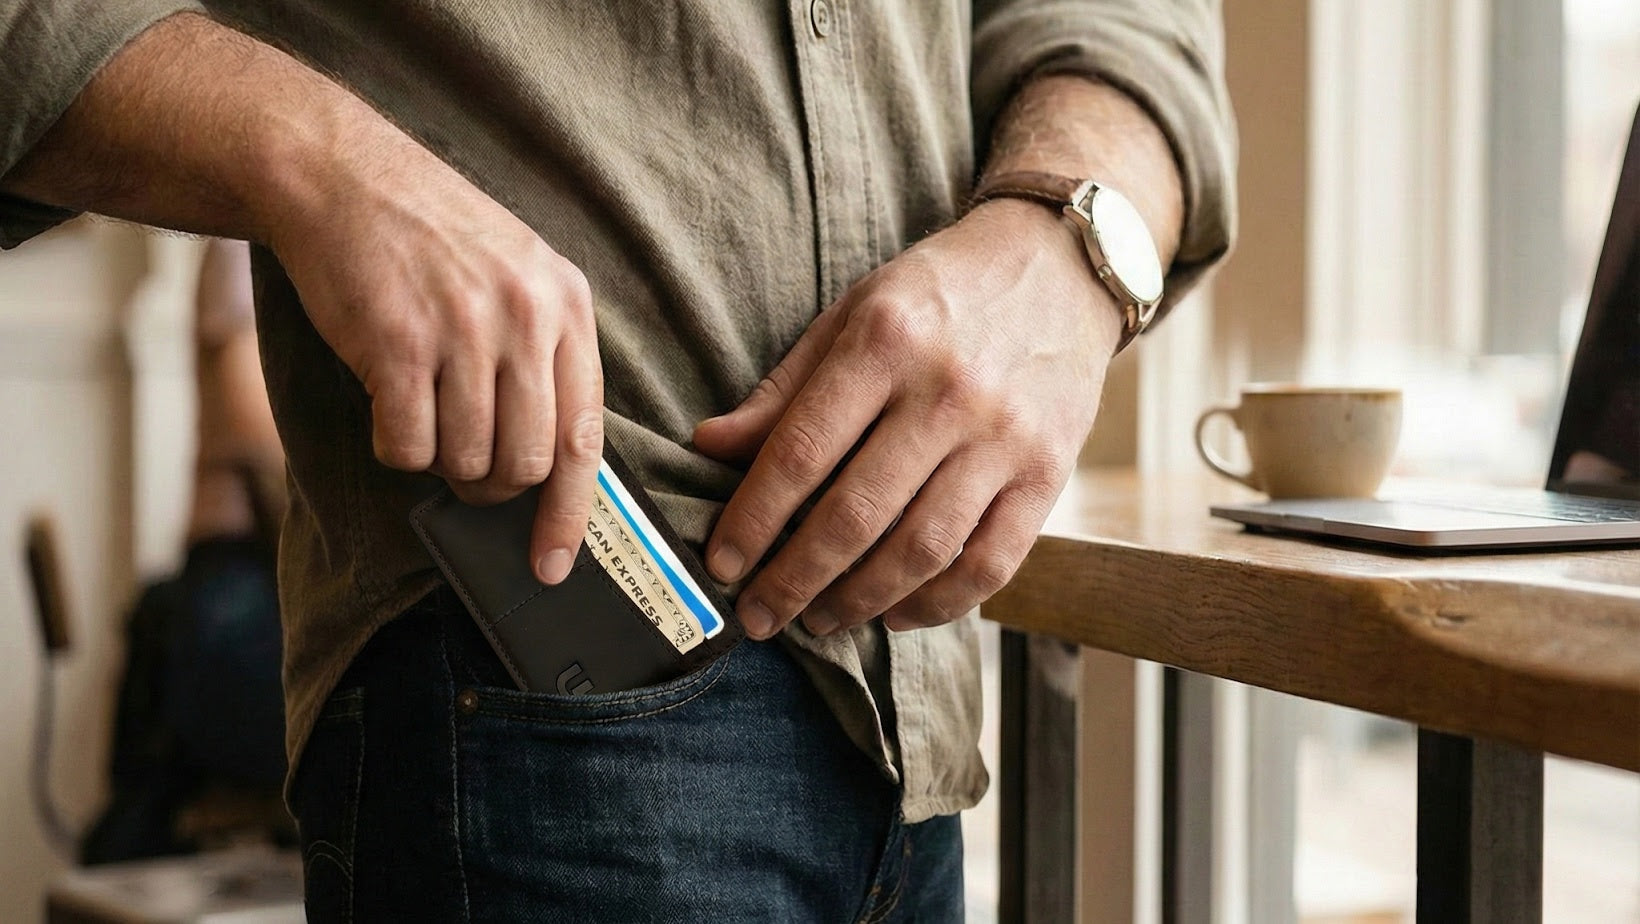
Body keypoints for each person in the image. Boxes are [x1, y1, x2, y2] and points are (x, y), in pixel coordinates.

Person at [1, 1, 1236, 919]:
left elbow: (1124, 24)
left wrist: (1070, 249)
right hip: (544, 689)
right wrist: (318, 160)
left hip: (911, 713)